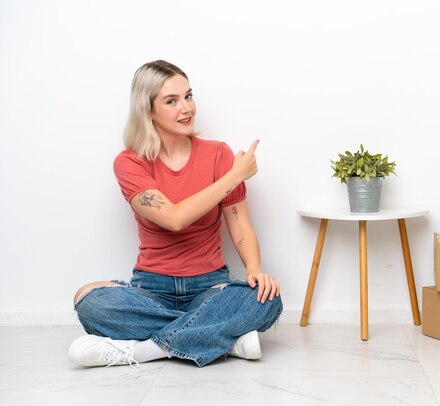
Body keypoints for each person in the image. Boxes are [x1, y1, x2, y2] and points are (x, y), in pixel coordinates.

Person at [67, 60, 282, 368]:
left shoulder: (218, 154)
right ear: (148, 110)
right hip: (150, 289)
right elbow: (174, 218)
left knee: (267, 298)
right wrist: (234, 176)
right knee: (88, 300)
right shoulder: (130, 163)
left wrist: (254, 269)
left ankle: (141, 351)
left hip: (210, 287)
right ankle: (223, 337)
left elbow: (240, 224)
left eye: (189, 96)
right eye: (172, 101)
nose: (187, 108)